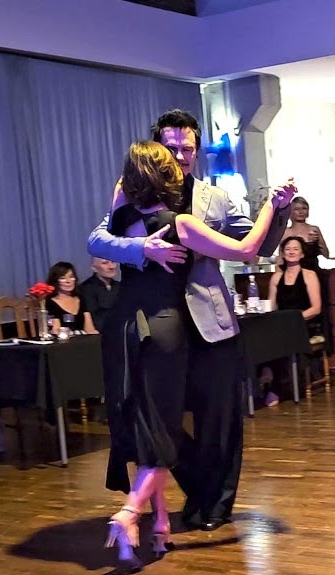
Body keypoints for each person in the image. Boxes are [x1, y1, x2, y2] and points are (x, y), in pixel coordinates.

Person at [87, 108, 290, 533]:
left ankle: (215, 505)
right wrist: (145, 249)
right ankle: (198, 489)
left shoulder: (212, 197)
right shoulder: (133, 192)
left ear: (197, 151)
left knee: (219, 418)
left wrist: (280, 211)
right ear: (157, 147)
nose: (180, 155)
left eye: (188, 149)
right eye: (171, 147)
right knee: (163, 421)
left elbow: (255, 243)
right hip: (158, 324)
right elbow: (100, 238)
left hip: (207, 322)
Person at [258, 236, 324, 405]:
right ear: (283, 254)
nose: (291, 252)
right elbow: (272, 306)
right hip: (281, 324)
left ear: (302, 254)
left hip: (303, 322)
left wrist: (293, 319)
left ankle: (274, 386)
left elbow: (316, 308)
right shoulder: (276, 278)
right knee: (262, 335)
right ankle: (265, 373)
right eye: (288, 249)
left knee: (281, 336)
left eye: (295, 249)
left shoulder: (309, 275)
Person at [44, 262, 98, 334]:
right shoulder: (50, 302)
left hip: (83, 340)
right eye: (62, 278)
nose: (68, 281)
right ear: (55, 281)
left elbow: (90, 329)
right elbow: (55, 331)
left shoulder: (80, 298)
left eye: (71, 277)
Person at [285, 197, 328, 270]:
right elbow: (280, 258)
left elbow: (326, 255)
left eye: (304, 208)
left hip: (313, 273)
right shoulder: (285, 232)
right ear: (290, 212)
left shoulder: (314, 230)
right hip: (292, 275)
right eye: (297, 209)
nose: (301, 212)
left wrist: (317, 242)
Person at [79, 257, 122, 329]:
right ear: (94, 268)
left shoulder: (120, 286)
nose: (111, 267)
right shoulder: (87, 288)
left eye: (113, 262)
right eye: (105, 263)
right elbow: (94, 318)